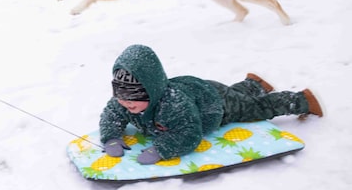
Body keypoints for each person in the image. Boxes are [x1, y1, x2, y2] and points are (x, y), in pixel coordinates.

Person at [99, 44, 323, 164]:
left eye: (136, 96)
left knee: (254, 108)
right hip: (201, 90)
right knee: (239, 97)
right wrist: (111, 136)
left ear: (154, 90)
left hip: (215, 104)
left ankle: (301, 101)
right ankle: (254, 83)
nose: (127, 103)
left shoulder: (172, 105)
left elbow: (189, 132)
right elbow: (111, 114)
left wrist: (161, 149)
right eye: (121, 96)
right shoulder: (122, 102)